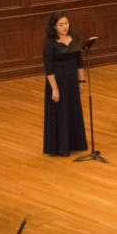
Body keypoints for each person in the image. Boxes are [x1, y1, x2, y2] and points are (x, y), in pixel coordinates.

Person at [42, 12, 87, 157]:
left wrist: (81, 81)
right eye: (61, 24)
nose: (65, 27)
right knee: (61, 113)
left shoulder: (74, 39)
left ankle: (75, 143)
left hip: (72, 82)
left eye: (66, 23)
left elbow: (79, 62)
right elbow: (49, 69)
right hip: (58, 82)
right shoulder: (49, 44)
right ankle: (61, 146)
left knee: (73, 111)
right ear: (54, 27)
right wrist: (54, 90)